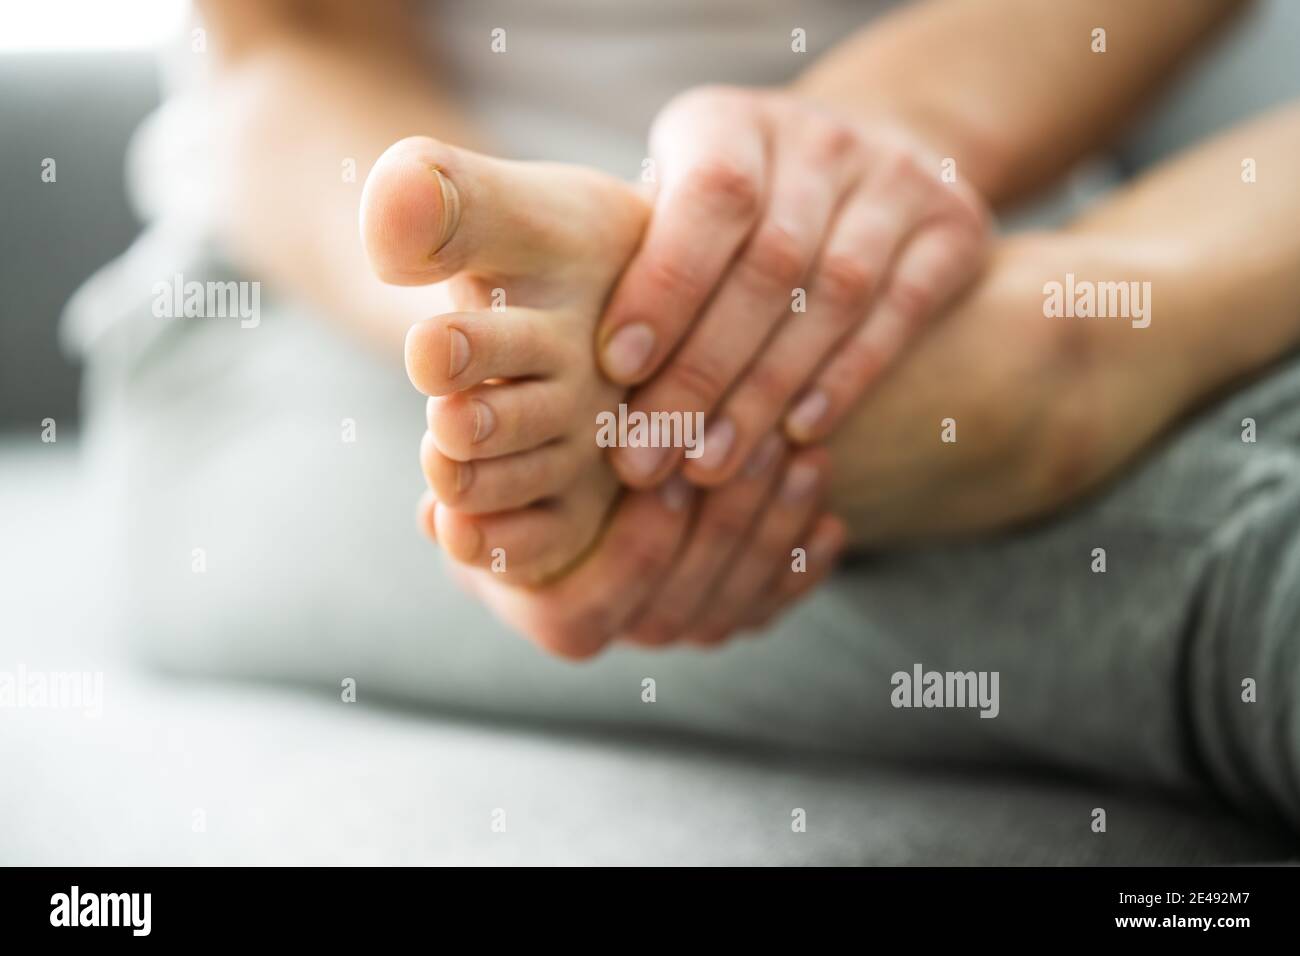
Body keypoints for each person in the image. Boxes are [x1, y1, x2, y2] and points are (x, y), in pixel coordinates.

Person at [64, 0, 1300, 834]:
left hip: (961, 240)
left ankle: (1055, 334)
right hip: (310, 325)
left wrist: (874, 140)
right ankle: (1038, 346)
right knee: (1253, 565)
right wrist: (481, 336)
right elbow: (291, 40)